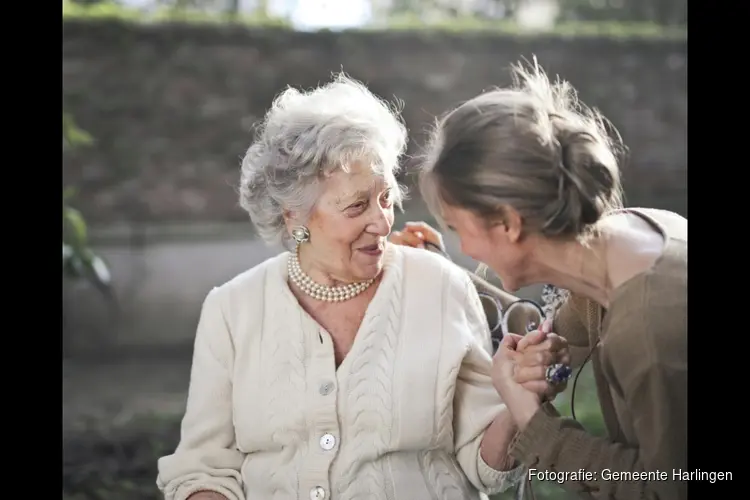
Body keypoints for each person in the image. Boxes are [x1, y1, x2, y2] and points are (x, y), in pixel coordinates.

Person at [156, 74, 571, 500]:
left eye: (386, 199)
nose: (381, 221)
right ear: (293, 216)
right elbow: (203, 468)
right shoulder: (231, 308)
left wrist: (516, 399)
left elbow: (485, 467)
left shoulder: (439, 287)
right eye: (357, 206)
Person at [394, 59, 687, 499]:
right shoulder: (631, 236)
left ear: (508, 224)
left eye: (458, 229)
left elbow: (669, 487)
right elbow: (554, 328)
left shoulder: (648, 329)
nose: (467, 250)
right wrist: (438, 268)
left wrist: (535, 425)